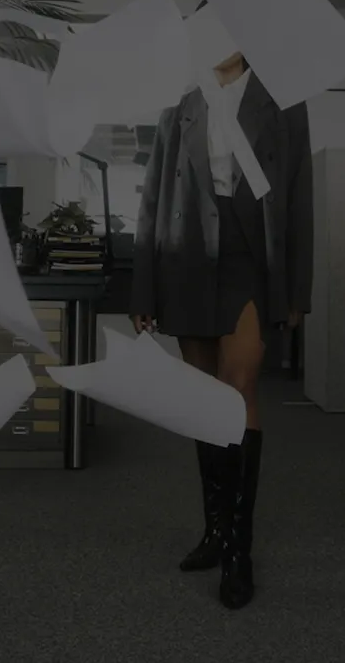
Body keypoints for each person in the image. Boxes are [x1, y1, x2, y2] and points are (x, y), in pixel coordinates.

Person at [130, 46, 313, 610]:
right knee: (205, 399)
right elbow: (154, 195)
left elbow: (300, 195)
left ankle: (240, 548)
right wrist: (143, 286)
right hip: (186, 259)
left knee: (239, 392)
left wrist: (297, 290)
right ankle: (213, 532)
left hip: (249, 261)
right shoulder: (179, 102)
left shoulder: (283, 99)